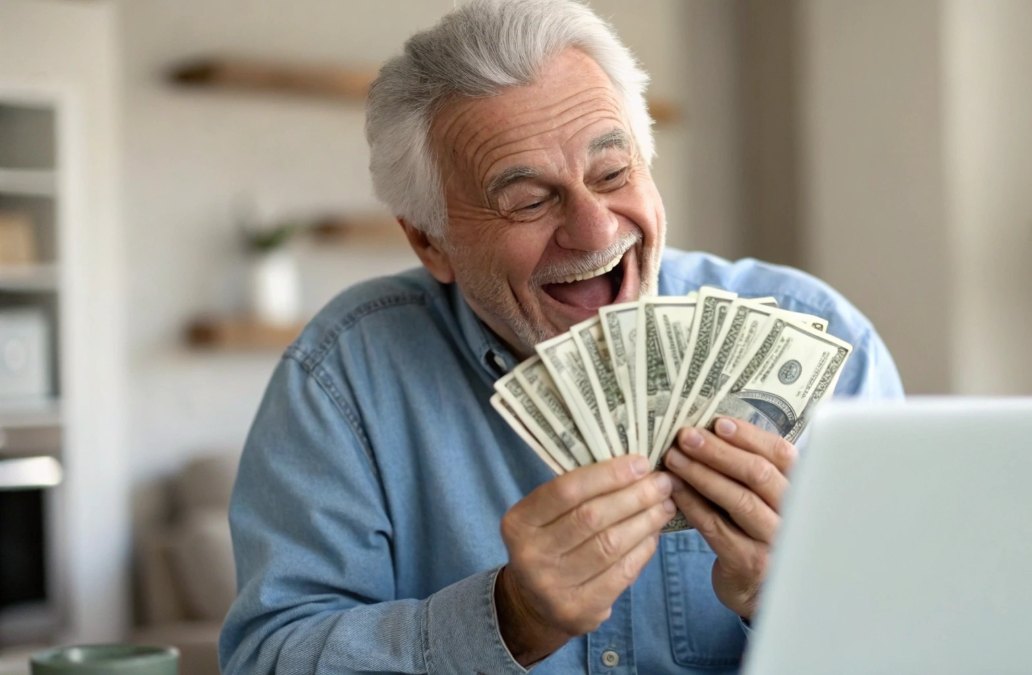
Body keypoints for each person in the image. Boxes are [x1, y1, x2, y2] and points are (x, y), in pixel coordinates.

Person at [218, 1, 903, 673]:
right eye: (528, 201)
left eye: (612, 174)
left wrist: (792, 595)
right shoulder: (344, 377)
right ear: (431, 240)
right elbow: (270, 658)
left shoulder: (830, 340)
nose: (597, 231)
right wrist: (506, 619)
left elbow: (928, 633)